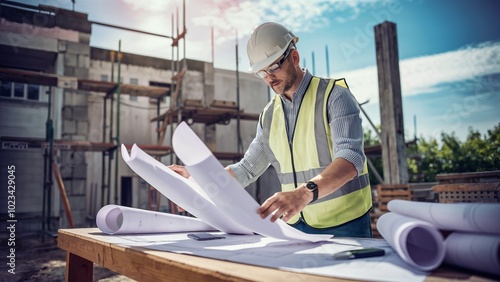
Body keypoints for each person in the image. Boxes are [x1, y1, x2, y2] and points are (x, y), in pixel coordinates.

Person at [170, 22, 372, 238]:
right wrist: (201, 179)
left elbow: (351, 159)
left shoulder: (334, 96)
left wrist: (303, 194)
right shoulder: (269, 115)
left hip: (346, 223)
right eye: (261, 72)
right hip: (295, 225)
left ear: (294, 58)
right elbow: (247, 169)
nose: (269, 78)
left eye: (274, 67)